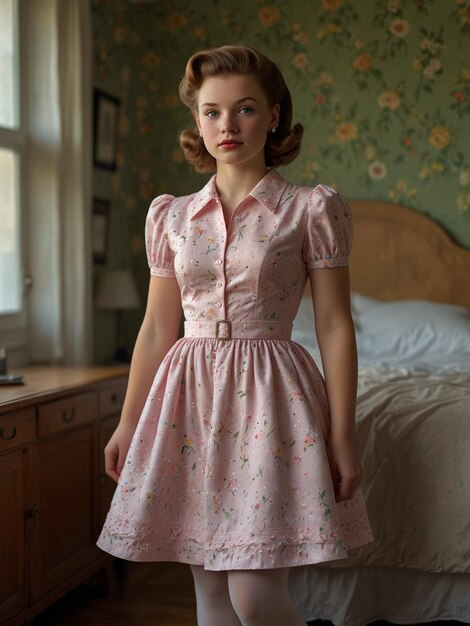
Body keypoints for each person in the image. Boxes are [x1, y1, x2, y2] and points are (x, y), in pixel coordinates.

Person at [97, 45, 372, 626]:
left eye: (244, 109)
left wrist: (342, 434)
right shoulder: (171, 217)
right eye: (212, 111)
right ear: (197, 120)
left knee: (253, 594)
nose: (228, 125)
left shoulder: (308, 210)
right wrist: (127, 421)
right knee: (212, 594)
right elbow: (154, 328)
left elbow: (334, 324)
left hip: (273, 401)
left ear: (272, 115)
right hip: (189, 404)